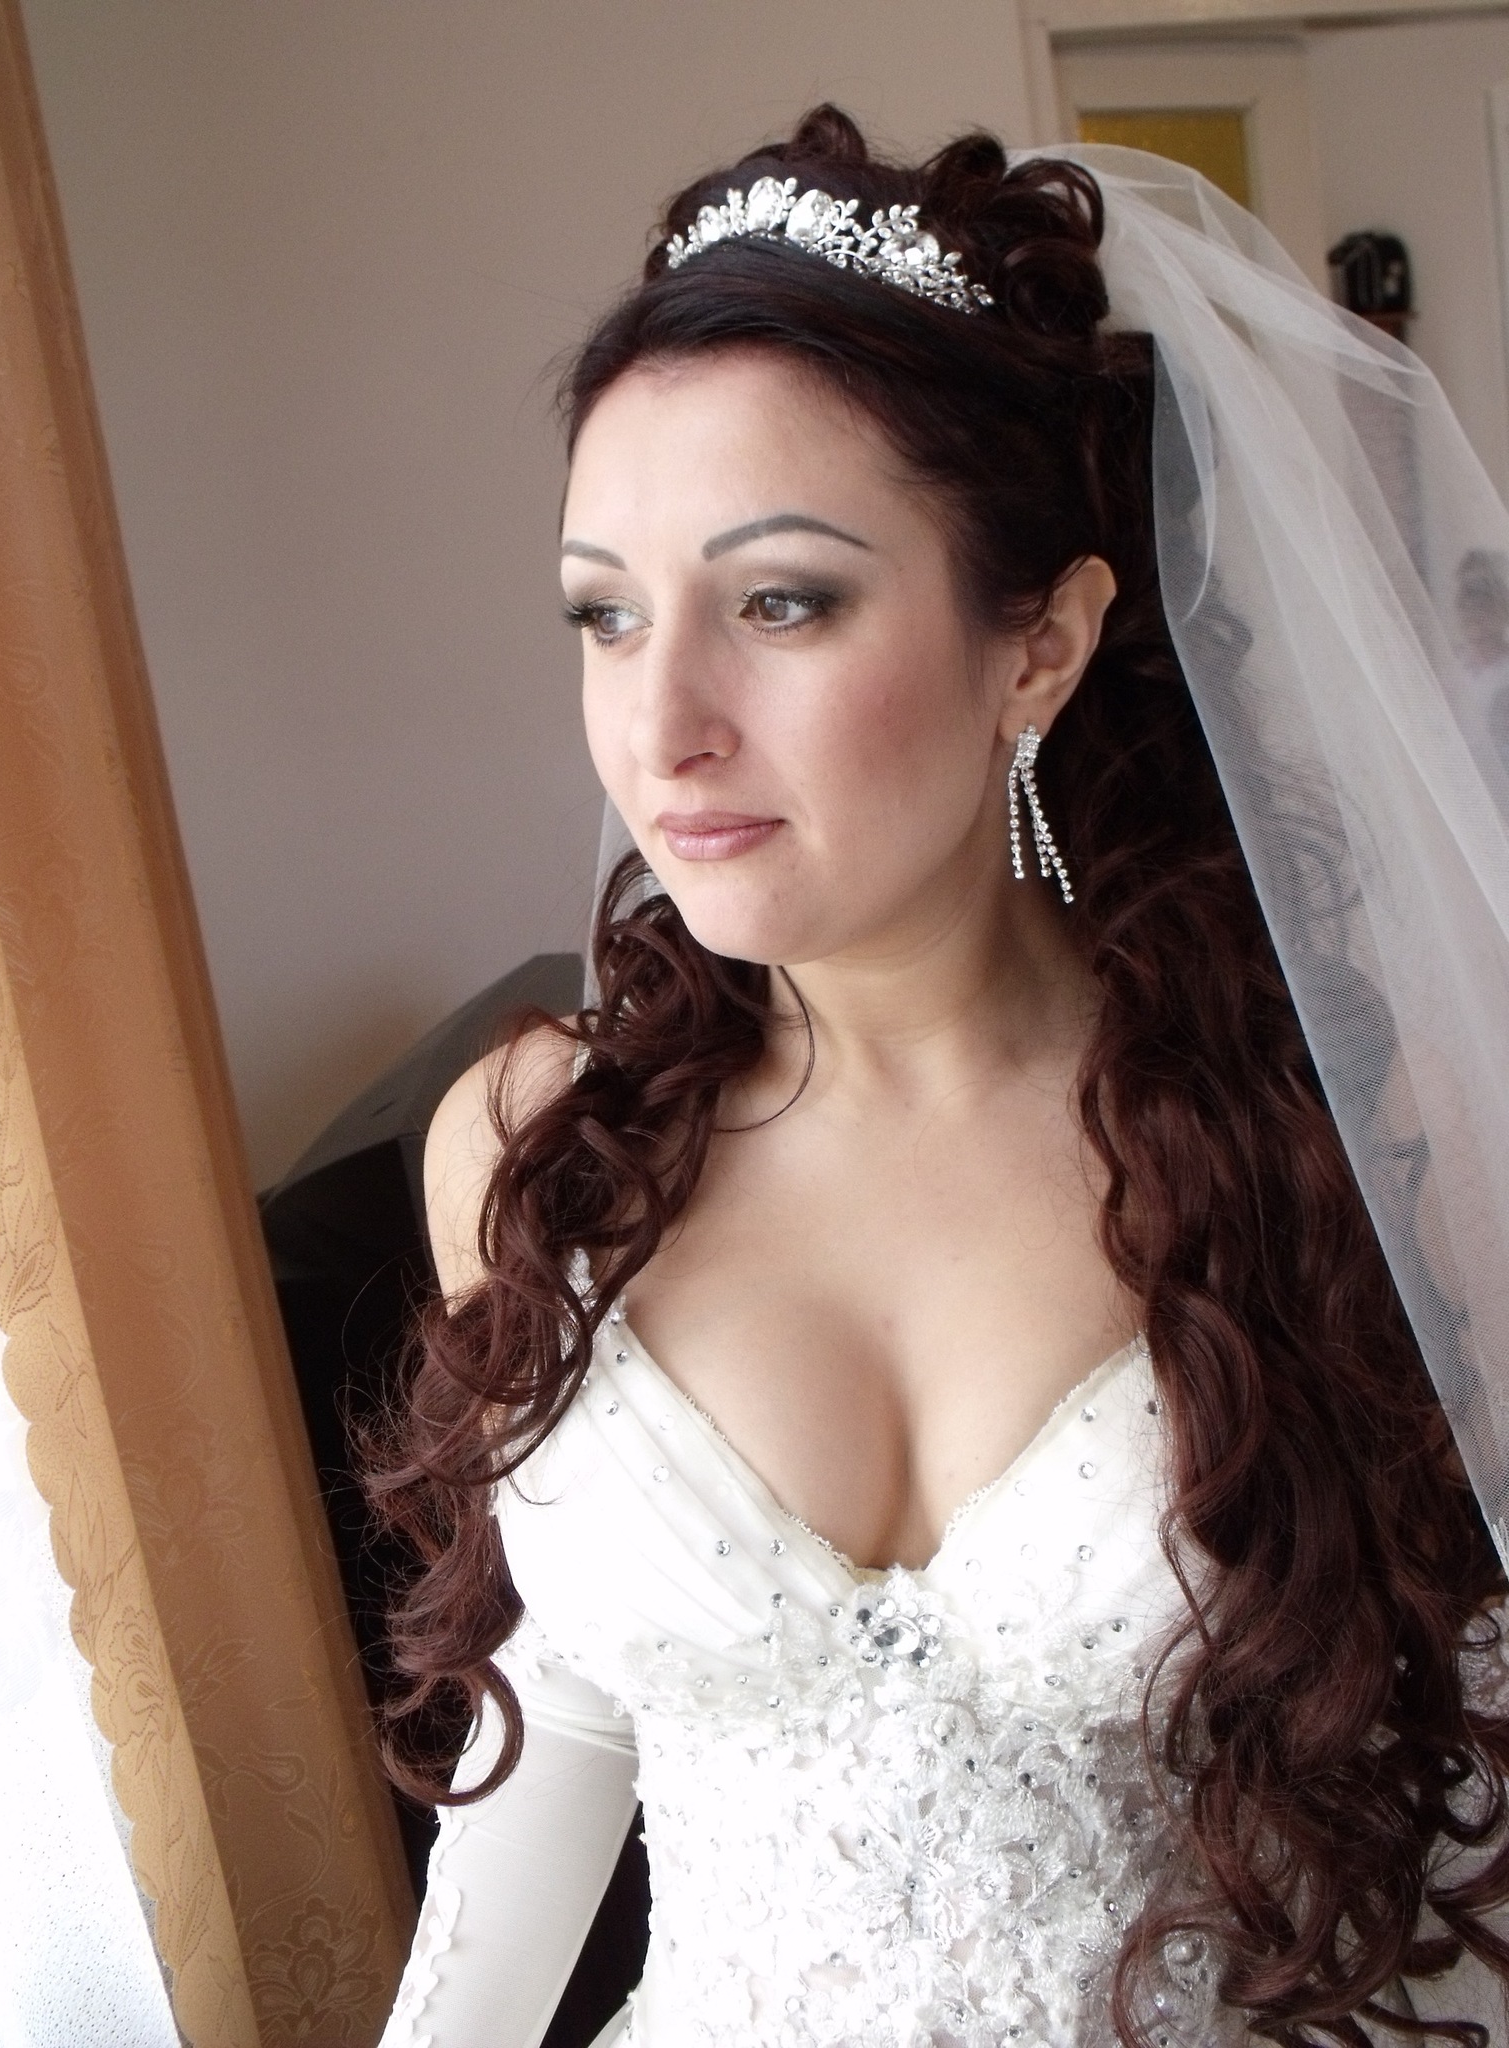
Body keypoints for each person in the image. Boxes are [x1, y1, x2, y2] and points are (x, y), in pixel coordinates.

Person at [372, 107, 1509, 2046]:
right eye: (605, 611)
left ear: (1039, 647)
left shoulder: (1309, 1123)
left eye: (782, 601)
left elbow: (1455, 1754)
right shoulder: (537, 1146)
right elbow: (564, 1724)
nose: (662, 726)